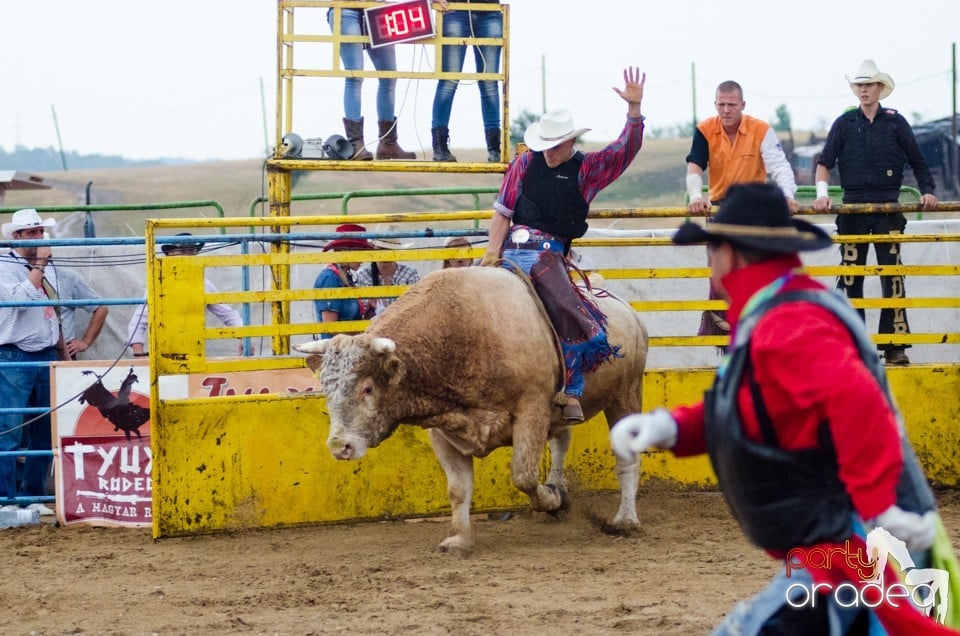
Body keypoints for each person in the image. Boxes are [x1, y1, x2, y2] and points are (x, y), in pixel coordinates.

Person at [609, 183, 958, 635]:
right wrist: (672, 428)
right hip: (855, 548)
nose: (708, 263)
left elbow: (856, 400)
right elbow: (748, 405)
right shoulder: (779, 309)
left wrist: (881, 507)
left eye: (711, 249)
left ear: (733, 253)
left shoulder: (786, 322)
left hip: (870, 549)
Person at [480, 66, 646, 423]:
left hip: (550, 255)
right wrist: (492, 252)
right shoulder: (524, 163)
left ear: (571, 143)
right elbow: (502, 210)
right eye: (546, 146)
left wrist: (633, 113)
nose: (549, 153)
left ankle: (571, 388)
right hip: (512, 251)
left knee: (565, 307)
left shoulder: (586, 170)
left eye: (555, 146)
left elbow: (623, 151)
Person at [813, 60, 938, 366]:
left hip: (888, 207)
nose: (864, 90)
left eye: (869, 85)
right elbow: (824, 162)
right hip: (853, 208)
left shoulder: (896, 123)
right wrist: (821, 194)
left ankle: (894, 345)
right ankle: (853, 345)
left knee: (892, 276)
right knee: (852, 277)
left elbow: (918, 160)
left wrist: (928, 190)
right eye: (860, 85)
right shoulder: (843, 124)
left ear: (880, 88)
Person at [685, 80, 799, 343]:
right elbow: (694, 168)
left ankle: (764, 337)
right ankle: (726, 347)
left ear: (742, 105)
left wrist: (788, 196)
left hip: (753, 214)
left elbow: (780, 167)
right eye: (721, 104)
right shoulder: (704, 130)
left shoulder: (761, 129)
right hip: (721, 211)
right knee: (721, 280)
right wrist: (695, 196)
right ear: (715, 105)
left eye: (731, 104)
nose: (725, 110)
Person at [0, 209, 60, 516]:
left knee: (44, 430)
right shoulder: (4, 265)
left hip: (45, 353)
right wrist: (39, 265)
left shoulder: (46, 266)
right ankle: (4, 498)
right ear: (18, 237)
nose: (39, 237)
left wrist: (62, 350)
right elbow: (18, 301)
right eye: (32, 233)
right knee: (9, 429)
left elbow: (53, 308)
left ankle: (32, 495)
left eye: (40, 231)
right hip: (15, 353)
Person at [127, 233, 243, 356]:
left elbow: (226, 313)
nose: (188, 255)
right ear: (170, 254)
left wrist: (244, 337)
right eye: (182, 251)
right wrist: (138, 351)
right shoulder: (159, 283)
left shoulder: (203, 283)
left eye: (191, 251)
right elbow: (140, 319)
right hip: (163, 352)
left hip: (194, 352)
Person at [328, 3, 416, 161]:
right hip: (346, 9)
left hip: (376, 9)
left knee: (389, 75)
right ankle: (355, 144)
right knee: (355, 75)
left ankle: (388, 143)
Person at [430, 0, 503, 162]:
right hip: (455, 9)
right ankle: (440, 147)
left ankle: (494, 148)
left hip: (489, 10)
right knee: (449, 81)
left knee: (489, 83)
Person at [313, 223, 375, 338]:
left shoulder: (346, 277)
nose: (363, 258)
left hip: (347, 346)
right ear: (344, 251)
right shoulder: (330, 279)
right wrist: (364, 333)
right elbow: (331, 328)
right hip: (337, 349)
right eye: (360, 252)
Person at [354, 231, 420, 318]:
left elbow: (417, 306)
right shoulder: (362, 275)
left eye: (389, 249)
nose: (385, 253)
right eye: (382, 249)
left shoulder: (410, 273)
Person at [57, 267, 108, 360]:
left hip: (61, 350)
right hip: (26, 351)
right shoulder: (22, 277)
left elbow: (101, 308)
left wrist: (85, 342)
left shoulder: (67, 277)